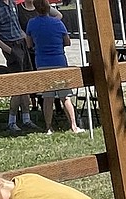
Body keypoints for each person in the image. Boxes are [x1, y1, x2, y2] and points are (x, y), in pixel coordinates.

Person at [25, 0, 83, 133]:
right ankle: (73, 126)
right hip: (59, 61)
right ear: (48, 8)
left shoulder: (32, 23)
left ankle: (48, 127)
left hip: (42, 63)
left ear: (35, 8)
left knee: (47, 98)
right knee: (65, 96)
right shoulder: (58, 22)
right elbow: (67, 42)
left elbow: (29, 44)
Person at [0, 0, 37, 133]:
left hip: (21, 43)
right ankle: (12, 121)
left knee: (25, 84)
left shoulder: (13, 3)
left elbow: (16, 25)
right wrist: (9, 50)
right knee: (17, 87)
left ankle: (26, 119)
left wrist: (25, 37)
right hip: (11, 45)